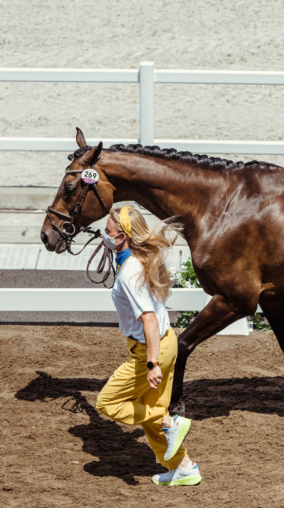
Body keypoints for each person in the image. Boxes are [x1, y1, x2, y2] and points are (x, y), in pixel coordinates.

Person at [95, 206, 201, 486]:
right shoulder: (141, 259)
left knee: (108, 402)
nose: (105, 236)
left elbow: (149, 320)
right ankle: (184, 468)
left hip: (150, 350)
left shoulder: (131, 271)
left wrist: (151, 363)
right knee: (149, 416)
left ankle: (171, 423)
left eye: (109, 232)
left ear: (124, 237)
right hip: (167, 344)